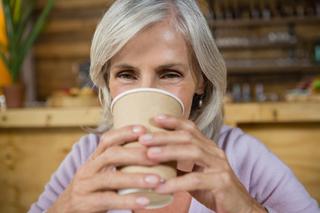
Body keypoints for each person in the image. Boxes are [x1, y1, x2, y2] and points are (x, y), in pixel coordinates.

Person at [29, 0, 319, 212]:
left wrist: (245, 209)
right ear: (107, 83)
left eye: (170, 74)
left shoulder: (241, 156)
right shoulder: (87, 157)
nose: (148, 90)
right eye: (126, 74)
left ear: (201, 82)